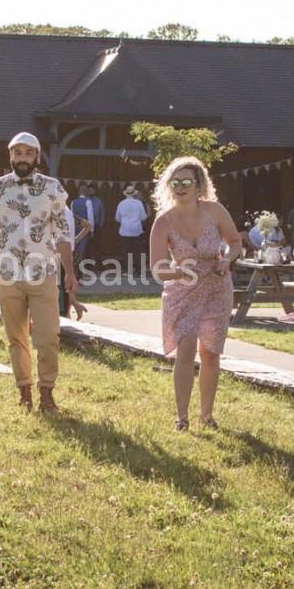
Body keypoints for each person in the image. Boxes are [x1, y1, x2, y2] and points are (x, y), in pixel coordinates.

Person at [0, 132, 75, 412]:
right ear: (10, 155)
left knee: (48, 336)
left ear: (37, 156)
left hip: (42, 272)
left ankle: (47, 392)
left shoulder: (52, 188)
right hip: (7, 273)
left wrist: (70, 272)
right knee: (16, 337)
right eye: (17, 152)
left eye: (28, 153)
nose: (22, 158)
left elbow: (63, 234)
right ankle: (24, 391)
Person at [149, 157, 241, 431]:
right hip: (182, 291)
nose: (180, 187)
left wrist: (227, 259)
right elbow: (157, 269)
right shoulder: (163, 222)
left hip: (216, 288)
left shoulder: (214, 211)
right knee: (186, 350)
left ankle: (207, 415)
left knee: (210, 352)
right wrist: (179, 272)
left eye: (186, 181)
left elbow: (235, 241)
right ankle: (182, 417)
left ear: (199, 185)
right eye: (175, 182)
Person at [116, 185, 148, 277]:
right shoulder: (139, 203)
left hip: (124, 230)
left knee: (126, 251)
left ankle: (128, 271)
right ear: (134, 194)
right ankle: (140, 271)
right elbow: (143, 217)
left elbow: (117, 218)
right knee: (138, 251)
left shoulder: (121, 204)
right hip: (136, 230)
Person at [70, 185, 94, 275]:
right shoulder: (88, 201)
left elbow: (71, 215)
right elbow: (90, 217)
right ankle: (80, 269)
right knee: (82, 248)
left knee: (75, 248)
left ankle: (76, 268)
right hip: (84, 227)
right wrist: (92, 230)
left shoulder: (73, 202)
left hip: (75, 227)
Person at [86, 185, 106, 264]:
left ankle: (98, 263)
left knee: (97, 245)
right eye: (89, 190)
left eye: (92, 190)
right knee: (87, 245)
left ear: (94, 191)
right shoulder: (85, 200)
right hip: (87, 226)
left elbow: (102, 213)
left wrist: (100, 225)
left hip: (96, 226)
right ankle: (87, 263)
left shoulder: (98, 201)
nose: (91, 192)